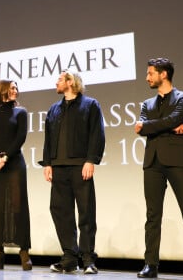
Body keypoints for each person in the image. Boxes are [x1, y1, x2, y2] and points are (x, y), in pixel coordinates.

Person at [135, 58, 183, 280]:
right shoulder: (146, 104)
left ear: (163, 74)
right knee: (152, 216)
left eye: (150, 73)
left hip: (177, 160)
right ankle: (151, 265)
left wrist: (152, 126)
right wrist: (165, 125)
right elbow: (142, 128)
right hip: (152, 163)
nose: (147, 77)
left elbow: (174, 119)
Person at [40, 69, 105, 274]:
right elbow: (48, 139)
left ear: (70, 82)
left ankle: (88, 259)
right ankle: (69, 257)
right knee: (60, 211)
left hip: (80, 165)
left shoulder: (90, 105)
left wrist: (91, 160)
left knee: (86, 212)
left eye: (59, 80)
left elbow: (97, 134)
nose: (56, 84)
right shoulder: (53, 109)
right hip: (58, 167)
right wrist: (48, 163)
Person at [0, 80, 32, 270]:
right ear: (2, 90)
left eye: (17, 88)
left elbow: (20, 137)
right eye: (12, 88)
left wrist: (6, 157)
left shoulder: (21, 112)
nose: (16, 91)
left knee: (18, 205)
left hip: (14, 163)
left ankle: (24, 252)